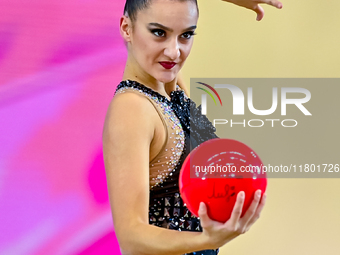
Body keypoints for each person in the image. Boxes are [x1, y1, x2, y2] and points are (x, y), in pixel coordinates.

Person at [102, 0, 282, 254]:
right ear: (126, 28)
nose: (174, 52)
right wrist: (208, 240)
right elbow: (132, 237)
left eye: (186, 35)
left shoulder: (169, 86)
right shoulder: (132, 109)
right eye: (158, 33)